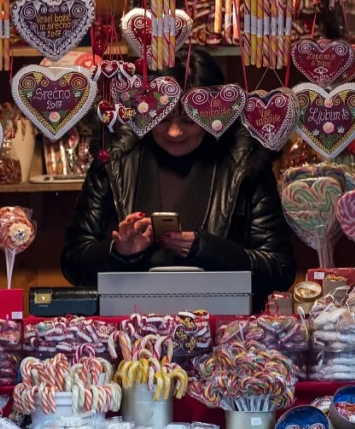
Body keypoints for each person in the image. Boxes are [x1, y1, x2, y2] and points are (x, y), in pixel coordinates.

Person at [60, 49, 296, 311]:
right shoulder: (115, 157)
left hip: (223, 327)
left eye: (188, 121)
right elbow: (73, 262)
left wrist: (208, 250)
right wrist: (119, 253)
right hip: (128, 324)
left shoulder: (245, 161)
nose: (174, 132)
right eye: (162, 119)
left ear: (215, 114)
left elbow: (279, 269)